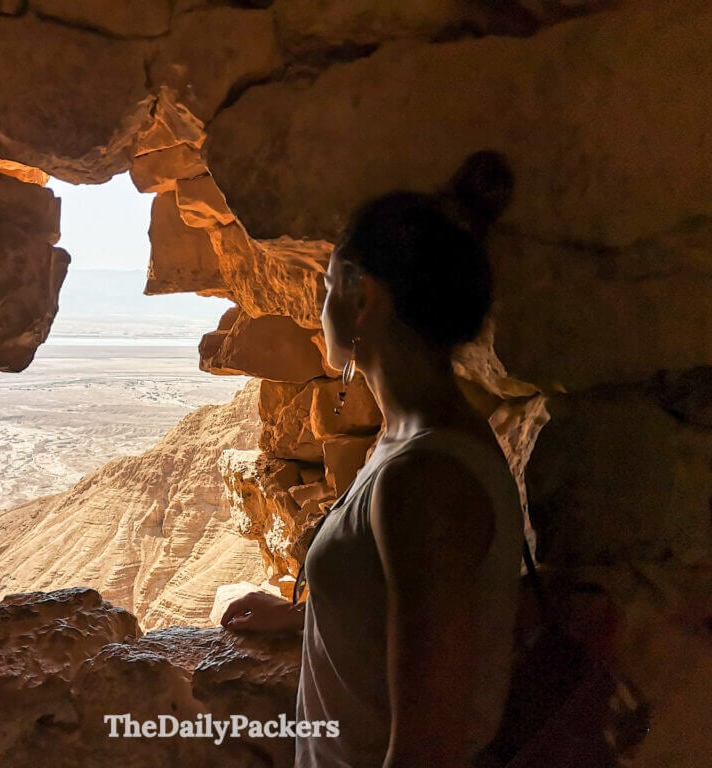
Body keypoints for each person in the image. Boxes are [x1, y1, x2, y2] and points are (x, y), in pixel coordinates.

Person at [220, 150, 526, 768]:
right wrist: (308, 616)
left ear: (363, 297)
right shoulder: (410, 442)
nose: (320, 300)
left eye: (329, 284)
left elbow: (426, 750)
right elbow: (397, 603)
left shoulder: (425, 479)